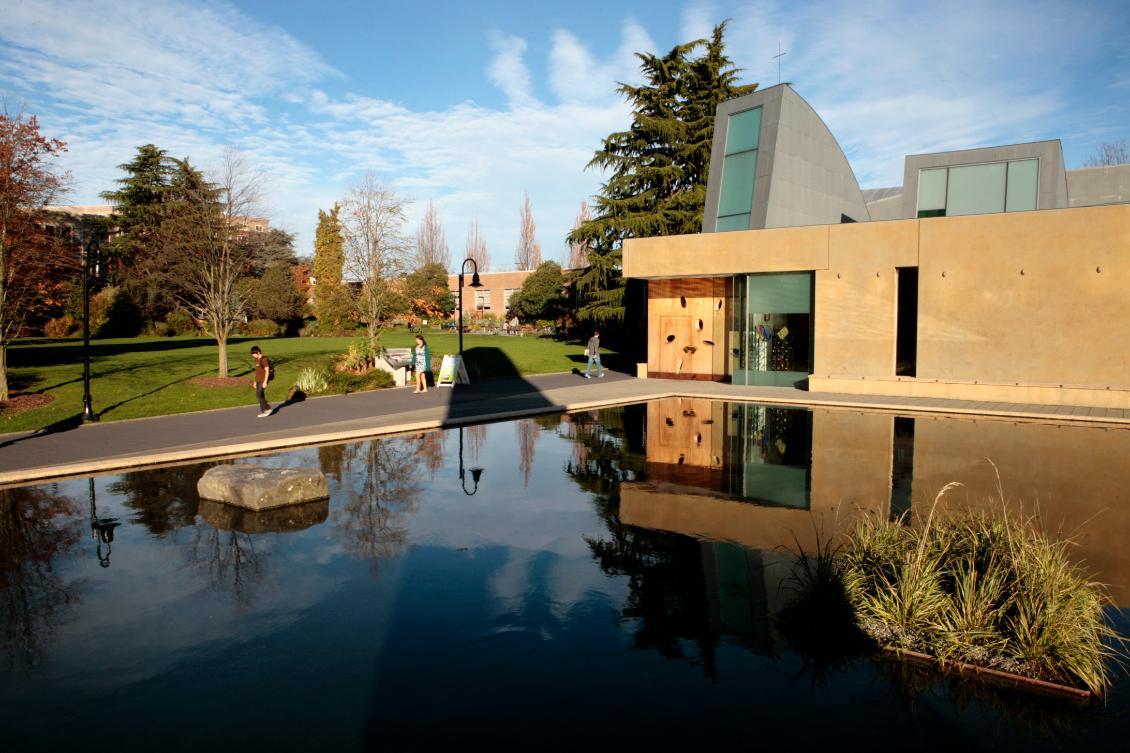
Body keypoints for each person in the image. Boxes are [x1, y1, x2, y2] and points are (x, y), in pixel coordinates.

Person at [250, 345, 273, 417]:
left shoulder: (264, 359)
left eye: (253, 354)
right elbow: (257, 372)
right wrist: (254, 381)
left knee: (259, 395)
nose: (252, 355)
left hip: (263, 380)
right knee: (260, 395)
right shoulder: (256, 360)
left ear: (258, 352)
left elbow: (267, 371)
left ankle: (267, 409)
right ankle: (265, 410)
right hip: (258, 380)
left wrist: (265, 382)